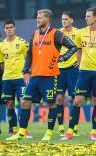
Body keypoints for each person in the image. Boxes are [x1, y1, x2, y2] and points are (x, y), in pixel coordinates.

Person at [6, 9, 77, 141]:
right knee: (25, 102)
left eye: (40, 18)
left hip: (50, 76)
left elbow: (73, 46)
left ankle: (49, 132)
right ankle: (21, 133)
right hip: (35, 76)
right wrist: (26, 69)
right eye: (37, 17)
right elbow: (29, 54)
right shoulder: (35, 34)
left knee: (51, 103)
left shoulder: (56, 33)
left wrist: (62, 58)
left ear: (47, 19)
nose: (37, 20)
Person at [61, 7, 96, 140]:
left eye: (88, 16)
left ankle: (93, 131)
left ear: (95, 18)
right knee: (77, 100)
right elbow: (78, 50)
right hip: (83, 72)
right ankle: (70, 131)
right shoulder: (81, 33)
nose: (86, 18)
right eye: (86, 16)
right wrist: (80, 64)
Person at [0, 20, 30, 137]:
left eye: (11, 27)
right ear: (4, 29)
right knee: (9, 104)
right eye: (7, 27)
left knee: (23, 102)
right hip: (7, 79)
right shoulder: (1, 45)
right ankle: (14, 129)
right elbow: (0, 63)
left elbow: (29, 59)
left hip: (20, 78)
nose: (9, 29)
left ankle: (23, 130)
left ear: (14, 28)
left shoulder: (23, 43)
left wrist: (27, 73)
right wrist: (7, 72)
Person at [56, 11, 79, 136]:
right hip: (59, 69)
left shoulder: (78, 33)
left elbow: (84, 49)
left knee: (75, 99)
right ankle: (60, 127)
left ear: (72, 20)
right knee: (59, 98)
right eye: (62, 19)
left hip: (73, 69)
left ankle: (74, 127)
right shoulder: (57, 33)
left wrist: (80, 61)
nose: (63, 21)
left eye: (66, 19)